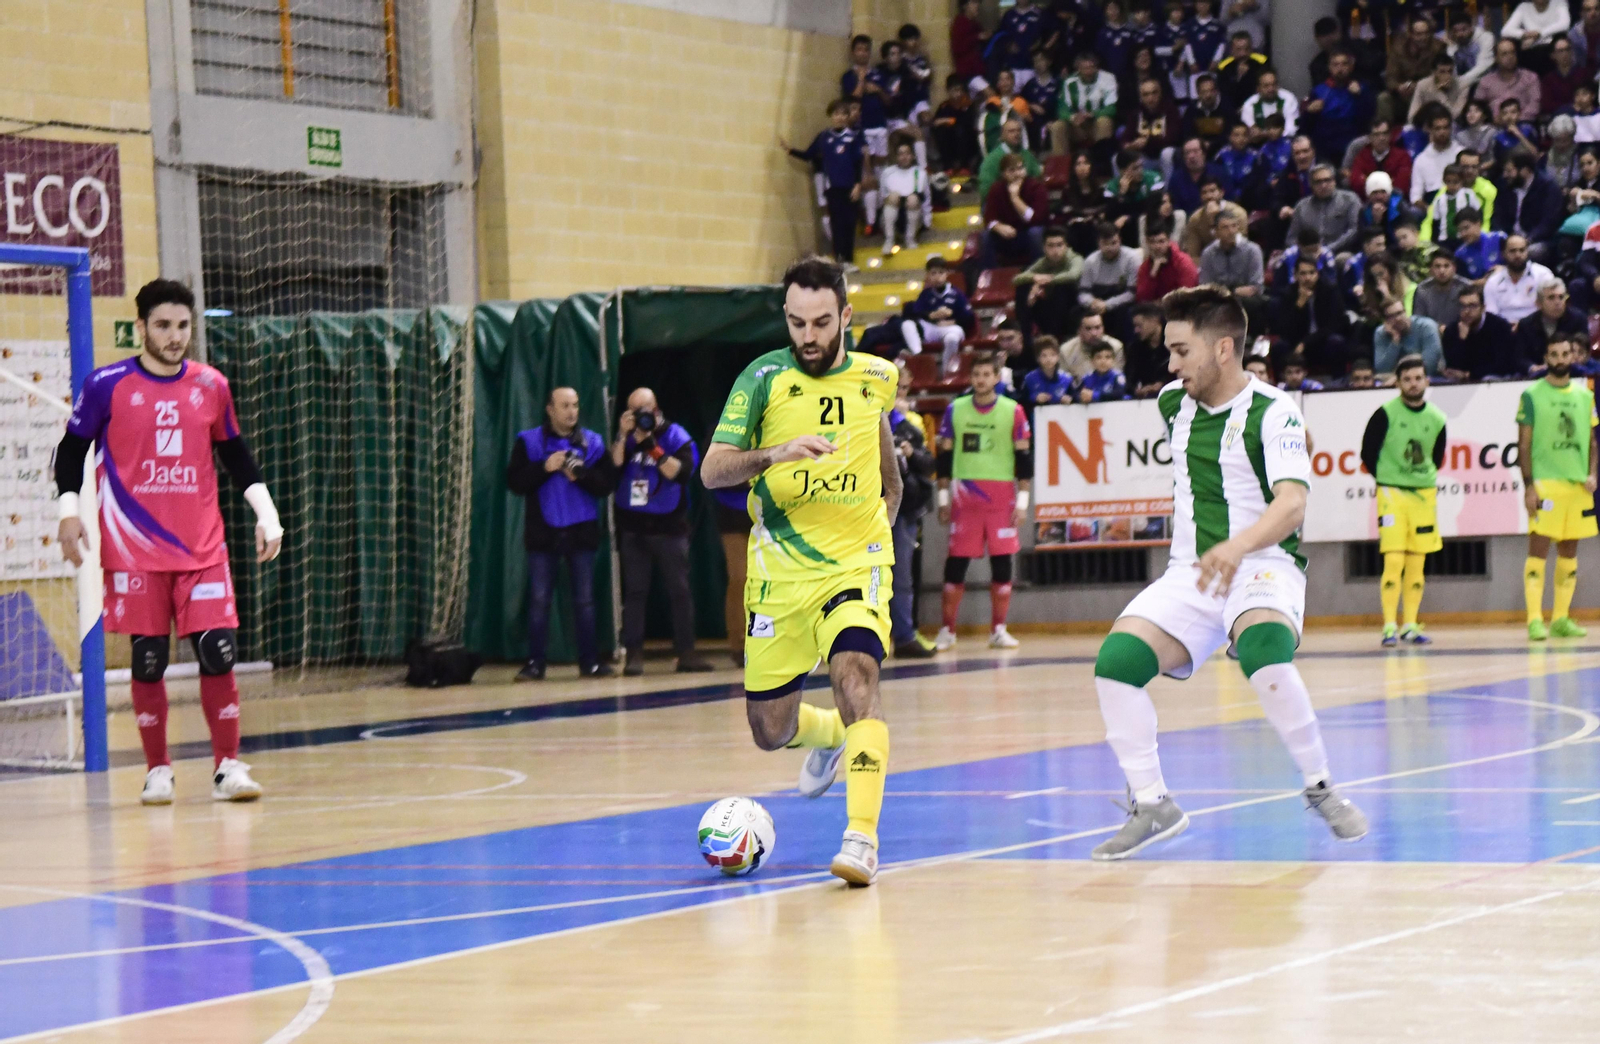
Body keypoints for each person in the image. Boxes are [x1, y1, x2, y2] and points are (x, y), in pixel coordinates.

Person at [1085, 284, 1367, 860]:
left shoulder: (1273, 411)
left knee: (1264, 652)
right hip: (1192, 572)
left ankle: (1320, 786)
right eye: (1168, 351)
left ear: (1222, 349)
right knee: (1115, 666)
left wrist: (1238, 547)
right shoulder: (1173, 403)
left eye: (1181, 351)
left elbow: (1293, 503)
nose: (1171, 365)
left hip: (1263, 562)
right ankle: (1153, 804)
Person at [702, 255, 902, 887]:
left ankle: (861, 839)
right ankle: (828, 734)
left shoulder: (877, 377)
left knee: (856, 677)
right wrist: (773, 454)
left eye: (820, 322)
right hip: (779, 575)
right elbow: (712, 470)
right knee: (769, 730)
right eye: (796, 323)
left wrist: (875, 545)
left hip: (855, 566)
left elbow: (890, 477)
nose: (808, 336)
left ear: (845, 316)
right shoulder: (762, 379)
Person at [54, 278, 279, 805]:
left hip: (202, 548)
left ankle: (228, 767)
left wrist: (267, 514)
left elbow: (236, 454)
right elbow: (71, 451)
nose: (175, 336)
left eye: (182, 325)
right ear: (141, 327)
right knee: (149, 659)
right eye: (163, 326)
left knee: (218, 651)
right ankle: (158, 770)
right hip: (134, 550)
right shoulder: (106, 385)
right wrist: (68, 513)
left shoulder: (211, 385)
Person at [508, 387, 615, 682]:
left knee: (585, 600)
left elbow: (607, 485)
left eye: (575, 405)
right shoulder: (528, 441)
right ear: (550, 409)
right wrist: (544, 467)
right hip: (543, 533)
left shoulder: (593, 442)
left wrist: (581, 475)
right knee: (540, 600)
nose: (571, 412)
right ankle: (535, 664)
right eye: (565, 406)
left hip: (581, 532)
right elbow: (515, 482)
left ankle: (590, 663)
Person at [611, 388, 713, 676]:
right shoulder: (627, 437)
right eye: (633, 411)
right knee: (635, 593)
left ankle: (686, 653)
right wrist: (622, 436)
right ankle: (634, 655)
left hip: (669, 528)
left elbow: (679, 473)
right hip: (634, 528)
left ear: (655, 409)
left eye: (643, 410)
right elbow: (614, 467)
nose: (639, 416)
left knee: (679, 591)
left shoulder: (677, 436)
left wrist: (651, 446)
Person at [934, 353, 1032, 652]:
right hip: (965, 496)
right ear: (970, 377)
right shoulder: (955, 409)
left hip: (1001, 497)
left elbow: (1024, 459)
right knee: (956, 563)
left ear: (997, 377)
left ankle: (998, 630)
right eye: (976, 374)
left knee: (1002, 562)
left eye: (987, 374)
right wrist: (943, 498)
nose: (981, 380)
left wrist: (1023, 502)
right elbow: (944, 457)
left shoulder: (1013, 411)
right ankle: (947, 630)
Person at [1359, 355, 1447, 646]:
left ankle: (1410, 625)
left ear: (1427, 381)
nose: (1413, 384)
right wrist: (1387, 477)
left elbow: (1438, 457)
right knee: (1394, 559)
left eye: (1418, 378)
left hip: (1424, 495)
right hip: (1392, 492)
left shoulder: (1437, 418)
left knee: (1417, 562)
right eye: (1407, 379)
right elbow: (1368, 453)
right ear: (1397, 383)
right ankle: (1388, 626)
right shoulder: (1385, 414)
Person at [1519, 335, 1598, 641]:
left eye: (1566, 354)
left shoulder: (1585, 395)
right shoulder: (1531, 395)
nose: (1561, 359)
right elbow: (1524, 445)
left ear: (1573, 356)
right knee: (1538, 552)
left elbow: (1592, 443)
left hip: (1577, 486)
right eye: (1554, 354)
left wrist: (1592, 473)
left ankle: (1561, 619)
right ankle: (1534, 620)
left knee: (1569, 554)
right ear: (1546, 358)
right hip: (1546, 485)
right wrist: (1529, 486)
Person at [889, 364, 937, 659]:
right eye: (893, 388)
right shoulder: (861, 420)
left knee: (902, 577)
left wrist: (911, 454)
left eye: (904, 388)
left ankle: (905, 635)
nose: (898, 394)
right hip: (863, 509)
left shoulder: (911, 425)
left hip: (904, 510)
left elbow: (929, 464)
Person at [782, 100, 864, 266]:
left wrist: (857, 185)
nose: (839, 117)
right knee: (837, 224)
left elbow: (858, 163)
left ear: (847, 117)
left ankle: (849, 260)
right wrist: (790, 150)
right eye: (836, 114)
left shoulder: (853, 138)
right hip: (833, 188)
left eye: (843, 114)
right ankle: (839, 260)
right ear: (831, 116)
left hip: (850, 187)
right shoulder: (823, 137)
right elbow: (809, 154)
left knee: (849, 224)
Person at [1273, 255, 1350, 377]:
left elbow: (1332, 326)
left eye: (1311, 273)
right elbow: (1285, 330)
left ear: (1317, 274)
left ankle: (1338, 381)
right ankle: (1282, 384)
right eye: (1303, 274)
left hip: (1321, 341)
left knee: (1337, 342)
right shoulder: (1288, 294)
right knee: (1279, 347)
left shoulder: (1330, 291)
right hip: (1297, 344)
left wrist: (1305, 343)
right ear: (1296, 275)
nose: (1308, 278)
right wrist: (1299, 304)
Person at [1014, 227, 1084, 345]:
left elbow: (1073, 275)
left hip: (1073, 309)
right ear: (1044, 248)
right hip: (1050, 309)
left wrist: (1044, 281)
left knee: (1061, 287)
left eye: (1059, 245)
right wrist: (1034, 279)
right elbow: (1016, 279)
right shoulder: (1044, 262)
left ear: (1066, 246)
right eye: (1050, 246)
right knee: (1023, 287)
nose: (1055, 250)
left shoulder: (1075, 259)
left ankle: (1056, 339)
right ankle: (1025, 338)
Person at [902, 255, 974, 369]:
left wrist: (953, 321)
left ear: (946, 274)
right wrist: (931, 315)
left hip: (949, 328)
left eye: (941, 273)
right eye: (933, 273)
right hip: (931, 329)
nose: (937, 277)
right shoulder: (925, 294)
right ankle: (918, 355)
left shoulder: (956, 293)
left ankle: (947, 370)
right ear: (928, 275)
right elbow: (916, 312)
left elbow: (969, 316)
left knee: (952, 338)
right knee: (907, 324)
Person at [1491, 152, 1564, 263]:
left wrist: (1527, 239)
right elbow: (1497, 216)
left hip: (1538, 240)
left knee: (1528, 253)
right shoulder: (1504, 185)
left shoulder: (1548, 187)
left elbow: (1548, 223)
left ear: (1525, 171)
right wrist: (1502, 236)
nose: (1505, 175)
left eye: (1509, 171)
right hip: (1509, 238)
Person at [1441, 285, 1523, 380]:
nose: (1467, 311)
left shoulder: (1499, 326)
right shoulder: (1452, 330)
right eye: (1463, 306)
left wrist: (1469, 375)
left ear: (1483, 307)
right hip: (1462, 382)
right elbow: (1452, 367)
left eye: (1472, 306)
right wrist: (1461, 340)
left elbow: (1504, 364)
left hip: (1495, 379)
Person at [982, 153, 1049, 269]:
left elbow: (1037, 219)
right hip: (1007, 235)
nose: (1018, 174)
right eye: (1012, 170)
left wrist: (1015, 198)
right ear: (1003, 174)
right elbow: (989, 217)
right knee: (986, 236)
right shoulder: (996, 188)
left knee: (1035, 233)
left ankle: (1038, 271)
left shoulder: (1036, 187)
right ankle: (991, 275)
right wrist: (998, 227)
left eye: (1020, 168)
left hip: (1028, 234)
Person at [711, 479, 752, 668]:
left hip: (772, 505)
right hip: (732, 508)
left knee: (778, 578)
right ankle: (740, 644)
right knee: (740, 578)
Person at [1078, 222, 1142, 340]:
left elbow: (1132, 293)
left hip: (1121, 302)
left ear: (1120, 240)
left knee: (1125, 313)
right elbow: (1083, 292)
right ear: (1098, 243)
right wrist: (1091, 302)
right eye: (1105, 244)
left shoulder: (1132, 258)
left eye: (1114, 243)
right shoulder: (1090, 261)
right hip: (1097, 301)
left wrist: (1107, 305)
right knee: (1076, 312)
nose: (1110, 248)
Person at [1306, 49, 1371, 164]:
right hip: (1325, 148)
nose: (1340, 69)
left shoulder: (1361, 89)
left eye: (1344, 64)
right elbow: (1306, 126)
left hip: (1352, 145)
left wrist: (1360, 96)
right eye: (1335, 65)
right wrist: (1309, 112)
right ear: (1329, 67)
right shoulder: (1319, 91)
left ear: (1351, 67)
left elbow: (1368, 119)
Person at [1286, 164, 1362, 255]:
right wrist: (1305, 252)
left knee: (1343, 258)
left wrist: (1327, 250)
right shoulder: (1302, 206)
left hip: (1340, 252)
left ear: (1334, 181)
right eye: (1318, 182)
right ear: (1311, 185)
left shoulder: (1350, 199)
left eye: (1327, 180)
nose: (1323, 185)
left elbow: (1354, 230)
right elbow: (1291, 238)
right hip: (1307, 255)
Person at [1484, 233, 1557, 326]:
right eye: (1512, 251)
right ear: (1503, 254)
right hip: (1504, 329)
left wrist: (1523, 326)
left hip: (1535, 328)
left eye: (1522, 250)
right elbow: (1491, 315)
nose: (1518, 255)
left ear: (1527, 252)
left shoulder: (1543, 275)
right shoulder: (1493, 282)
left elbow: (1550, 308)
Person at [1515, 279, 1588, 368]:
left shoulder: (1578, 320)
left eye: (1561, 297)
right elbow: (1520, 358)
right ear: (1539, 303)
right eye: (1551, 297)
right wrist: (1532, 368)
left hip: (1571, 370)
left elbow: (1583, 352)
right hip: (1537, 373)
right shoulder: (1526, 325)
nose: (1557, 302)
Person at [1386, 12, 1446, 119]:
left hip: (1427, 90)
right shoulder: (1398, 48)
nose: (1423, 37)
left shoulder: (1438, 48)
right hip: (1403, 92)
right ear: (1411, 34)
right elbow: (1390, 76)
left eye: (1426, 33)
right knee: (1383, 98)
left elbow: (1441, 75)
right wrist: (1398, 87)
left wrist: (1418, 86)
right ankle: (1384, 128)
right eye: (1419, 34)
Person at [1058, 51, 1119, 151]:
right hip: (1078, 125)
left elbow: (1111, 108)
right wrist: (1073, 117)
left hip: (1098, 122)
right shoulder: (1069, 82)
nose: (1089, 72)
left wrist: (1092, 114)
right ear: (1078, 69)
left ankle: (1103, 158)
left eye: (1092, 67)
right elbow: (1062, 110)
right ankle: (1060, 159)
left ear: (1097, 67)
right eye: (1084, 68)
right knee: (1058, 126)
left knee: (1104, 121)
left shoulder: (1108, 78)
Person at [1198, 206, 1264, 300]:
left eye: (1234, 226)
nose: (1231, 231)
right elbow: (1205, 287)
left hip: (1246, 302)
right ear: (1216, 232)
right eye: (1225, 227)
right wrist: (1232, 292)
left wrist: (1227, 292)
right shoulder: (1208, 253)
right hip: (1218, 301)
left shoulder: (1252, 250)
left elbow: (1257, 287)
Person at [1121, 76, 1184, 168]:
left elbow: (1172, 139)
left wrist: (1147, 141)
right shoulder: (1136, 113)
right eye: (1146, 94)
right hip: (1144, 157)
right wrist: (1130, 145)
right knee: (1118, 158)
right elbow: (1125, 138)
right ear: (1140, 97)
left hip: (1166, 156)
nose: (1150, 98)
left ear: (1160, 93)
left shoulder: (1171, 110)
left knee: (1167, 153)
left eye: (1154, 93)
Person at [975, 117, 1043, 202]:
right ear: (1002, 135)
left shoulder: (1027, 155)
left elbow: (1037, 177)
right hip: (1000, 203)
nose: (1016, 134)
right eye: (1011, 131)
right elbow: (985, 189)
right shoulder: (992, 158)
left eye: (1018, 131)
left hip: (1024, 201)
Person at [1476, 39, 1543, 123]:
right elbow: (1477, 108)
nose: (1510, 57)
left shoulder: (1530, 77)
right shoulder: (1485, 81)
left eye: (1513, 52)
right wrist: (1494, 120)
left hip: (1523, 124)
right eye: (1504, 54)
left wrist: (1514, 119)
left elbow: (1535, 105)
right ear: (1496, 58)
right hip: (1494, 126)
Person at [1182, 176, 1248, 260]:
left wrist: (1215, 221)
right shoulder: (1195, 219)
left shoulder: (1238, 214)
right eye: (1204, 192)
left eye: (1212, 191)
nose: (1209, 196)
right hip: (1207, 263)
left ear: (1221, 192)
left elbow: (1240, 248)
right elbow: (1193, 254)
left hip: (1236, 260)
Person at [1373, 297, 1443, 376]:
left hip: (1429, 378)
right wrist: (1395, 341)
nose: (1398, 319)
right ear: (1385, 321)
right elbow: (1381, 370)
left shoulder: (1426, 327)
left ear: (1405, 312)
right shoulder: (1381, 333)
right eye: (1391, 316)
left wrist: (1401, 377)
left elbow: (1429, 366)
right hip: (1394, 379)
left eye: (1399, 313)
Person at [877, 141, 927, 253]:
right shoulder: (887, 172)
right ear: (896, 157)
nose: (904, 157)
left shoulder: (919, 173)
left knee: (913, 199)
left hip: (913, 216)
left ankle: (910, 238)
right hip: (891, 216)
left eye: (907, 153)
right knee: (893, 197)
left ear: (912, 156)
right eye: (901, 154)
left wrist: (927, 221)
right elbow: (882, 197)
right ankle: (889, 239)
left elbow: (925, 198)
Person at [1349, 116, 1413, 201]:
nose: (1381, 138)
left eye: (1385, 133)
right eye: (1376, 134)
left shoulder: (1402, 156)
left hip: (1397, 203)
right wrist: (1389, 181)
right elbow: (1356, 183)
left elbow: (1402, 185)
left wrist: (1369, 181)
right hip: (1367, 203)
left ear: (1390, 135)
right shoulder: (1361, 156)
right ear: (1370, 137)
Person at [1135, 218, 1199, 302]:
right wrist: (1153, 275)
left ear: (1169, 241)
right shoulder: (1145, 267)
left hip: (1179, 307)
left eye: (1161, 241)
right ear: (1147, 243)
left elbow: (1187, 295)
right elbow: (1141, 299)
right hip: (1155, 308)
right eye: (1152, 242)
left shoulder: (1183, 262)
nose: (1157, 246)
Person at [1410, 107, 1464, 205]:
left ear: (1451, 128)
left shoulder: (1461, 154)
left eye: (1445, 128)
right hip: (1431, 204)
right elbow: (1415, 196)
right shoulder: (1421, 160)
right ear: (1430, 130)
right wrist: (1431, 210)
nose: (1442, 132)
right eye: (1438, 128)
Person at [1504, 0, 1572, 75]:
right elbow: (1505, 31)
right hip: (1531, 52)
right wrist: (1524, 34)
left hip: (1552, 49)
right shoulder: (1523, 7)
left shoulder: (1559, 3)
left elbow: (1564, 25)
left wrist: (1539, 34)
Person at [932, 75, 980, 173]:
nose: (958, 94)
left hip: (967, 142)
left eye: (960, 90)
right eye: (955, 90)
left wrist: (949, 121)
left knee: (961, 130)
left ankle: (964, 166)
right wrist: (948, 121)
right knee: (941, 131)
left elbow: (967, 122)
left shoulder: (968, 104)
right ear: (949, 91)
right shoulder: (944, 106)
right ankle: (948, 166)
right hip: (950, 142)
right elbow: (936, 122)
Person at [1426, 163, 1481, 246]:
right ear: (1444, 181)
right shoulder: (1439, 200)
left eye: (1455, 182)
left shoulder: (1468, 195)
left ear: (1462, 181)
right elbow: (1435, 223)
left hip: (1463, 238)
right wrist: (1434, 242)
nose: (1451, 185)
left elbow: (1478, 214)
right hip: (1444, 239)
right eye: (1448, 181)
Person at [1413, 252, 1472, 328]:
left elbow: (1472, 316)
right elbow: (1418, 321)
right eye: (1437, 266)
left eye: (1446, 266)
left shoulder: (1466, 287)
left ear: (1454, 269)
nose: (1442, 271)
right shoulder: (1422, 290)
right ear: (1431, 270)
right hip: (1431, 332)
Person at [1061, 311, 1127, 378]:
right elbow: (1063, 380)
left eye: (1097, 327)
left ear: (1103, 328)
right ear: (1079, 331)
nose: (1094, 333)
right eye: (1088, 329)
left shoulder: (1116, 347)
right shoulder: (1066, 351)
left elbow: (1118, 377)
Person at [1179, 73, 1233, 155]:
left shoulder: (1227, 108)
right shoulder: (1192, 110)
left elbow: (1230, 133)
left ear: (1216, 91)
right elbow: (1187, 134)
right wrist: (1200, 144)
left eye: (1211, 91)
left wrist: (1212, 144)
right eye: (1204, 92)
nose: (1208, 95)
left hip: (1222, 150)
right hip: (1197, 150)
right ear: (1198, 93)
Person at [1125, 303, 1171, 397]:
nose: (1136, 330)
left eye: (1139, 325)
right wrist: (1136, 390)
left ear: (1155, 320)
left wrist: (1163, 384)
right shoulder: (1135, 349)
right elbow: (1129, 379)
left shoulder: (1173, 344)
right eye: (1135, 326)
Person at [1241, 68, 1298, 141]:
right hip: (1259, 144)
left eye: (1274, 84)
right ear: (1258, 88)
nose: (1271, 89)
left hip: (1285, 142)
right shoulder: (1250, 104)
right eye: (1266, 86)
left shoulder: (1288, 99)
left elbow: (1291, 130)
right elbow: (1251, 132)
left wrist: (1264, 134)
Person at [1410, 52, 1468, 123]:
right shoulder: (1423, 85)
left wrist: (1440, 94)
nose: (1447, 76)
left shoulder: (1462, 85)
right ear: (1434, 72)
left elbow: (1455, 116)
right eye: (1442, 72)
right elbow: (1412, 115)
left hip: (1451, 125)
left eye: (1450, 71)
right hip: (1427, 123)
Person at [1447, 10, 1497, 89]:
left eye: (1464, 29)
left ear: (1471, 27)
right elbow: (1452, 72)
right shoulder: (1452, 48)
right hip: (1464, 87)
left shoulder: (1487, 38)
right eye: (1456, 31)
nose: (1460, 34)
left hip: (1487, 83)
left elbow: (1484, 65)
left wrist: (1460, 82)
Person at [1453, 208, 1506, 281]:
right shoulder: (1460, 254)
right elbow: (1463, 282)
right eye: (1460, 230)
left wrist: (1504, 270)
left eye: (1466, 228)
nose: (1463, 234)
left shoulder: (1499, 239)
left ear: (1478, 224)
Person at [1022, 335, 1074, 408]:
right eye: (1044, 355)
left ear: (1058, 357)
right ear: (1037, 358)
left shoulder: (1066, 379)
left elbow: (1075, 399)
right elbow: (1022, 401)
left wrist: (1069, 400)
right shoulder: (1029, 379)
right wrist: (1035, 399)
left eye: (1053, 355)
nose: (1049, 359)